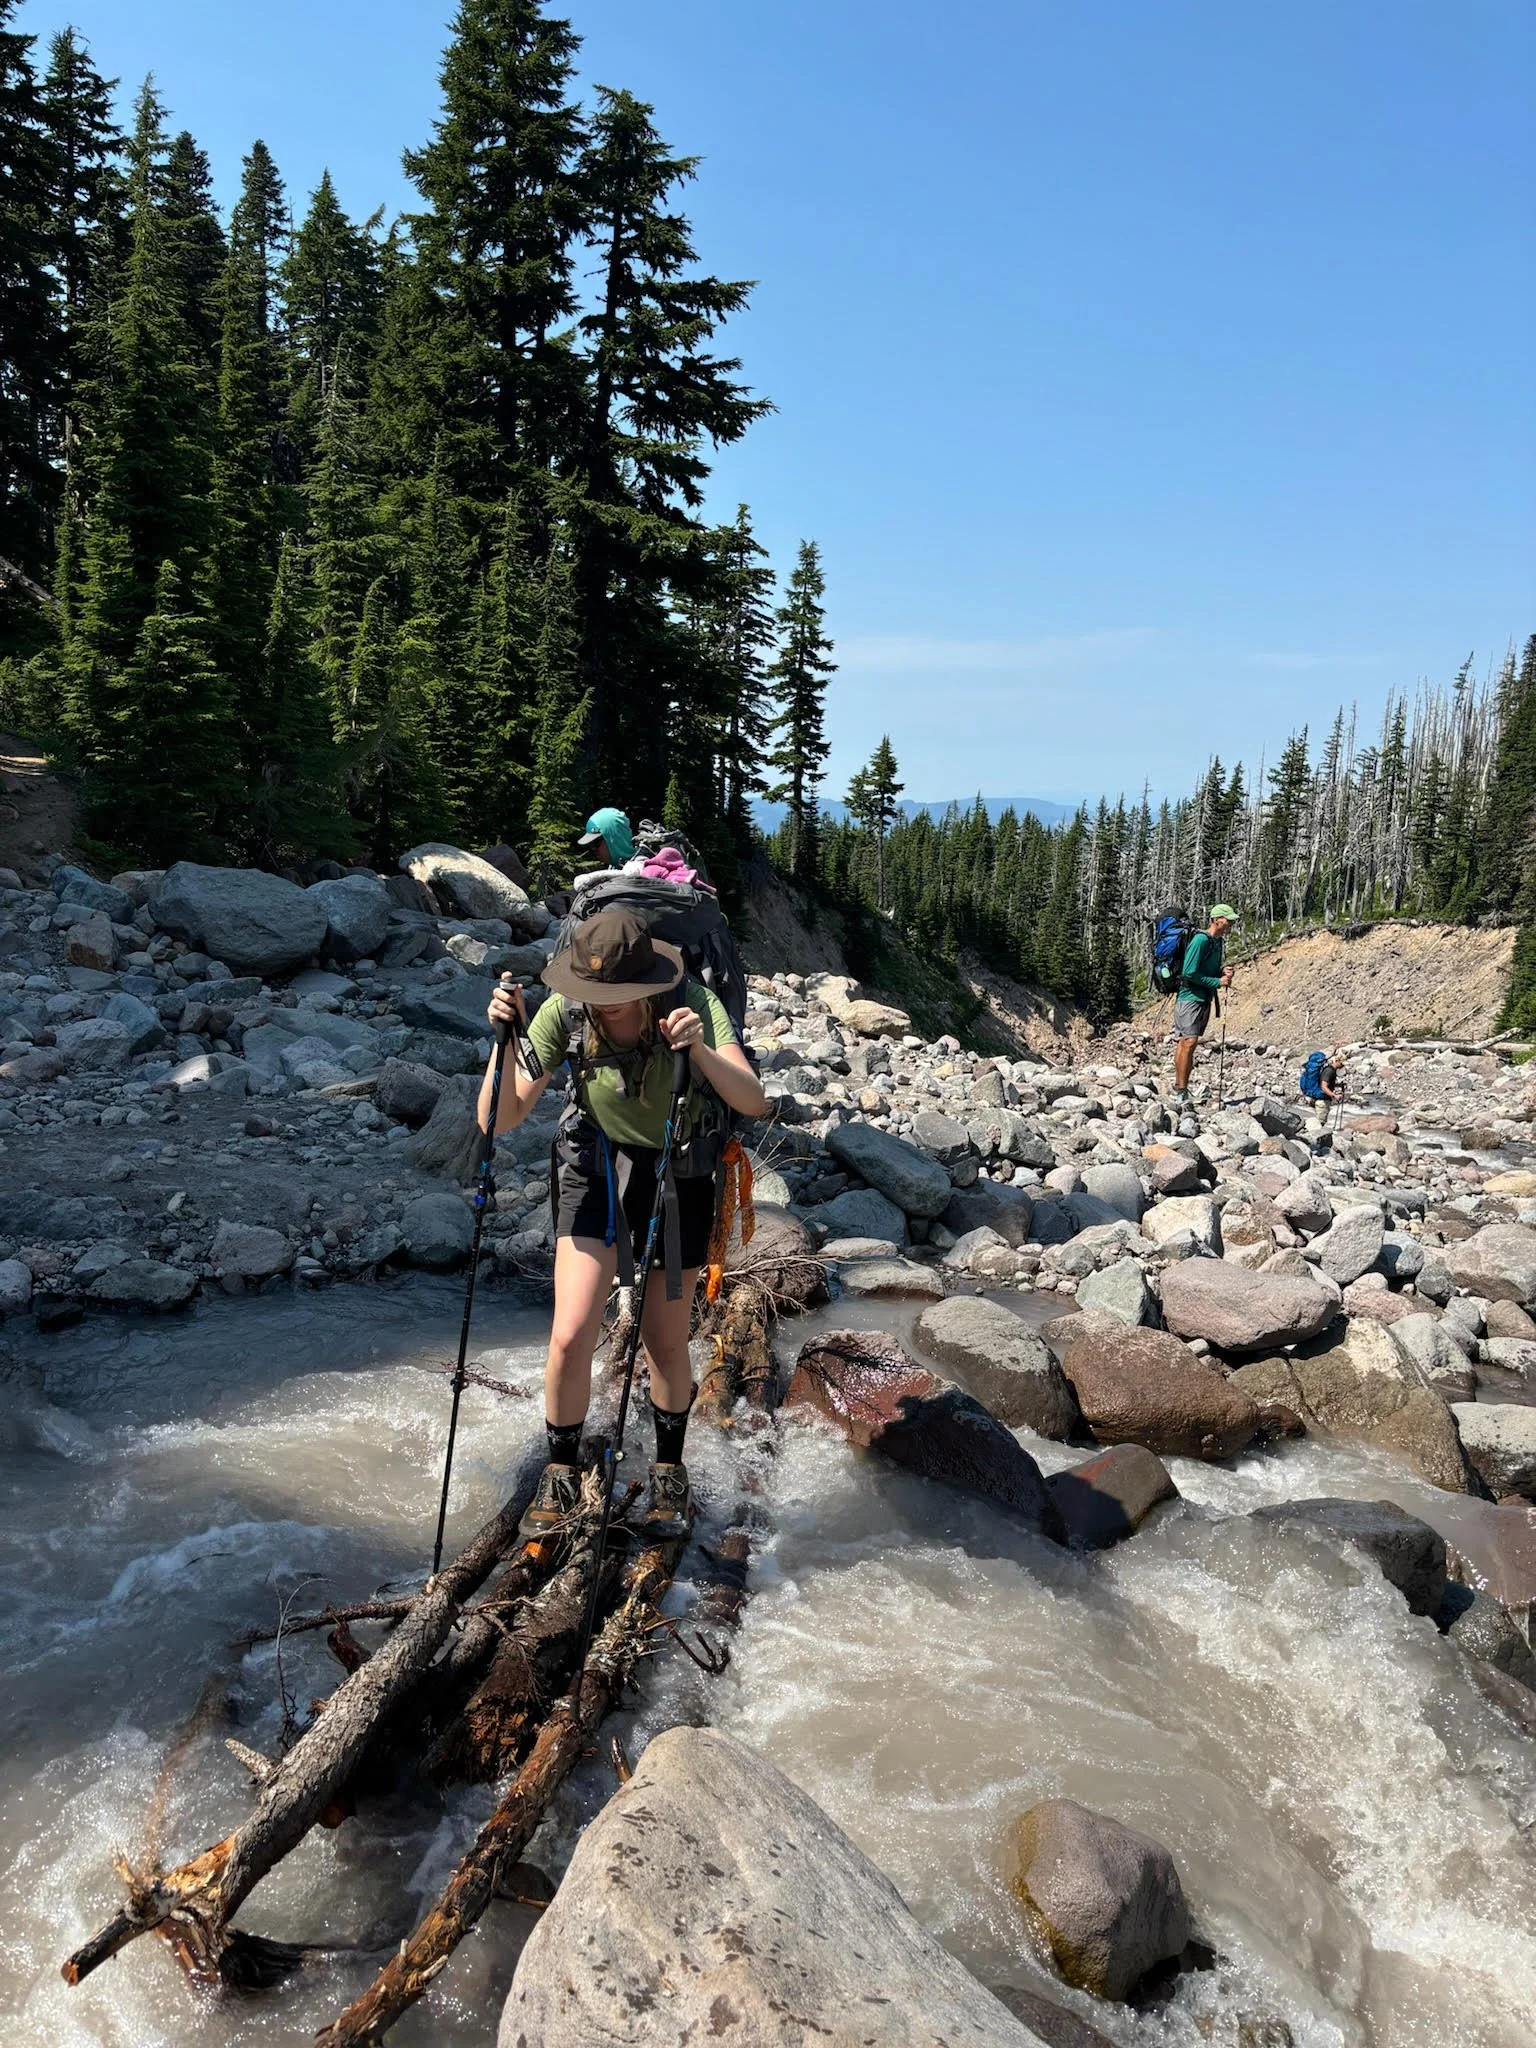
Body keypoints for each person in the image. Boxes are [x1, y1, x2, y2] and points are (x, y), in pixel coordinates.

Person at [483, 906, 767, 1543]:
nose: (604, 1007)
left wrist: (699, 1049)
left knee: (665, 1340)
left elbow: (752, 1097)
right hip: (596, 1164)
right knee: (570, 1332)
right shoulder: (566, 1011)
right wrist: (501, 1046)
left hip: (679, 1172)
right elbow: (498, 1119)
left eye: (616, 996)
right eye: (595, 994)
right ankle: (561, 1468)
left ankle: (669, 1469)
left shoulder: (691, 1001)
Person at [1171, 905, 1237, 1105]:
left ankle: (1182, 1088)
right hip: (1189, 997)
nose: (1231, 923)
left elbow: (1206, 970)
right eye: (1228, 920)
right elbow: (1189, 972)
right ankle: (1180, 1092)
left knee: (1188, 1043)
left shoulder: (1217, 943)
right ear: (1216, 919)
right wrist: (1217, 982)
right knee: (1188, 1042)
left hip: (1203, 998)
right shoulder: (1200, 940)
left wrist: (1221, 972)